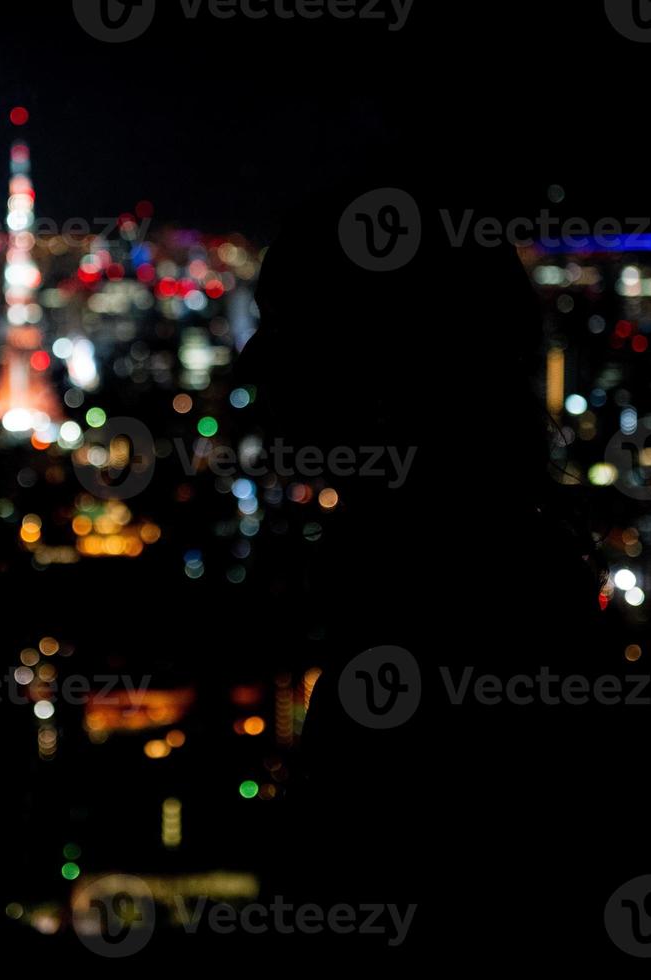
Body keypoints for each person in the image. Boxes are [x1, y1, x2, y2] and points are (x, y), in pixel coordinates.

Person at [237, 179, 629, 963]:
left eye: (292, 327)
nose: (254, 360)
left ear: (389, 365)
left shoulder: (445, 609)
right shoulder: (491, 572)